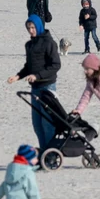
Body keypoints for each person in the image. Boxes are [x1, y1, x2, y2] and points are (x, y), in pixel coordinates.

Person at [7, 15, 61, 153]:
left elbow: (55, 65)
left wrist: (37, 76)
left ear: (38, 26)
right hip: (35, 88)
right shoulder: (29, 45)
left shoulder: (50, 43)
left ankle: (51, 153)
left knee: (47, 123)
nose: (31, 30)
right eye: (28, 28)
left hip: (47, 87)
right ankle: (44, 152)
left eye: (33, 27)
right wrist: (18, 76)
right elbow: (29, 66)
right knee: (37, 124)